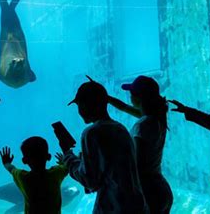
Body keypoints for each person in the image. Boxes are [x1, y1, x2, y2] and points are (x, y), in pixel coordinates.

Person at [62, 79, 147, 214]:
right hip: (137, 206)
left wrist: (69, 159)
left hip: (114, 206)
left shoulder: (91, 133)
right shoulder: (121, 129)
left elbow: (90, 180)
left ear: (84, 106)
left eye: (79, 105)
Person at [107, 75, 173, 213]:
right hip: (161, 188)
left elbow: (137, 165)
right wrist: (106, 97)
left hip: (147, 192)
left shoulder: (143, 125)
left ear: (138, 98)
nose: (129, 97)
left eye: (131, 93)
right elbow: (124, 107)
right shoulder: (157, 118)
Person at [0, 137, 68, 214]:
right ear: (48, 157)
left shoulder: (23, 177)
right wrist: (63, 161)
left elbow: (11, 169)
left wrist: (6, 162)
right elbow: (66, 167)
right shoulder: (56, 173)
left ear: (24, 161)